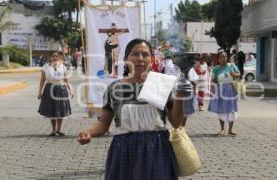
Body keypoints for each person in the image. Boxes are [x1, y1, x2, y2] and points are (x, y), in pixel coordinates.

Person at [78, 38, 190, 180]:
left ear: (152, 59)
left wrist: (180, 96)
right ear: (125, 59)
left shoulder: (163, 84)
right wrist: (89, 132)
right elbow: (103, 124)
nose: (140, 59)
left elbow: (176, 123)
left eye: (145, 54)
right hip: (124, 149)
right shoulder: (113, 88)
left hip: (158, 148)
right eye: (135, 54)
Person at [38, 51, 73, 136]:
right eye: (53, 56)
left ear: (59, 58)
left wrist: (71, 90)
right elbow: (42, 80)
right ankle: (53, 130)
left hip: (61, 89)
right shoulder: (45, 67)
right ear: (50, 57)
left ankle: (59, 129)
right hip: (49, 88)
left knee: (60, 109)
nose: (55, 58)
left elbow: (66, 80)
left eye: (57, 56)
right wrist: (40, 91)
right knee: (52, 109)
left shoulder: (63, 67)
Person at [208, 51, 240, 136]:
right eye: (221, 57)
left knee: (231, 109)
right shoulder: (216, 68)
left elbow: (239, 74)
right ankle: (222, 129)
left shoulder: (232, 66)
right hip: (220, 90)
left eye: (225, 57)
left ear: (227, 57)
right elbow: (213, 80)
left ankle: (230, 129)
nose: (223, 58)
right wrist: (211, 90)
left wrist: (234, 74)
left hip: (231, 89)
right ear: (218, 59)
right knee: (221, 109)